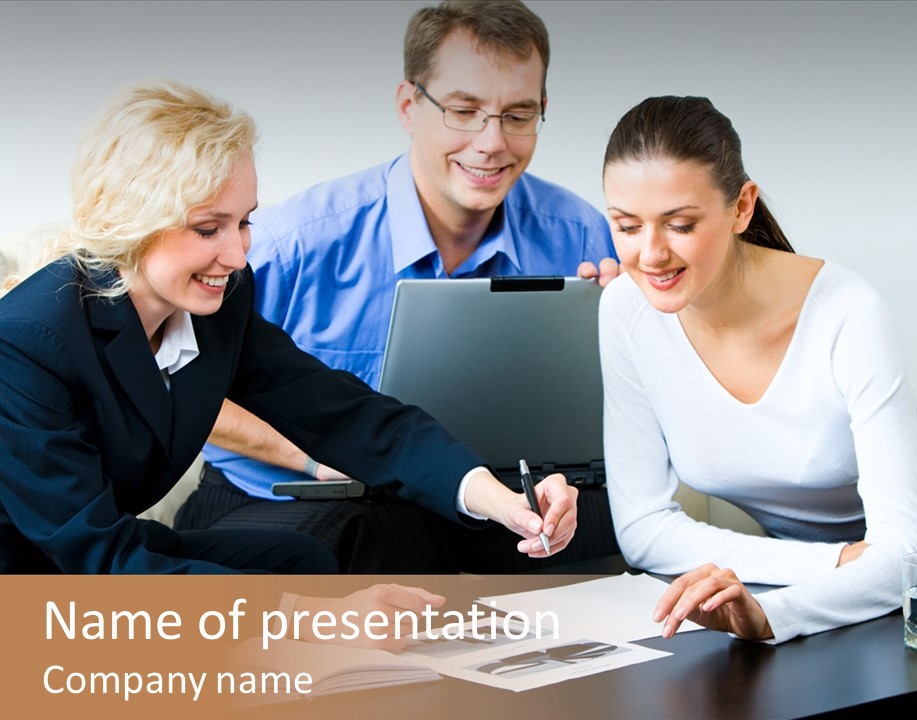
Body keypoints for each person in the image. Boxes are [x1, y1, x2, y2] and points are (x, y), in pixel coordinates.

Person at [0, 80, 577, 576]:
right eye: (208, 229)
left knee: (300, 558)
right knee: (305, 593)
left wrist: (501, 502)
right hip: (35, 575)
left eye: (245, 221)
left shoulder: (216, 305)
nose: (237, 254)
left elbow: (347, 415)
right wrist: (306, 614)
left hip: (97, 555)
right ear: (132, 222)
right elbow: (100, 563)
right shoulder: (27, 342)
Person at [178, 0, 618, 572]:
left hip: (496, 496)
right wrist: (312, 458)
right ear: (410, 106)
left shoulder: (584, 233)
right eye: (464, 111)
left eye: (517, 114)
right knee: (356, 541)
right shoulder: (291, 243)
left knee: (618, 531)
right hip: (288, 493)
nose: (492, 142)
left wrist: (637, 324)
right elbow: (180, 384)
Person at [599, 95, 917, 643]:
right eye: (627, 226)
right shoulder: (626, 311)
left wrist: (769, 616)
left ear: (742, 207)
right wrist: (829, 563)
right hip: (820, 573)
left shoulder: (847, 310)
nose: (650, 255)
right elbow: (643, 531)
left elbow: (911, 554)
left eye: (679, 225)